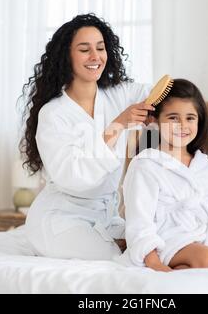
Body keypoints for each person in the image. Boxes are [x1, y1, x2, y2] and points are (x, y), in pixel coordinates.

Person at [20, 13, 153, 260]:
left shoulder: (118, 94)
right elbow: (72, 176)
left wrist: (163, 109)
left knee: (155, 242)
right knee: (118, 258)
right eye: (84, 49)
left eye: (100, 48)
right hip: (61, 220)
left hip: (105, 217)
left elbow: (159, 94)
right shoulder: (54, 114)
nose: (95, 57)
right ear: (66, 56)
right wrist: (118, 124)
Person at [121, 79, 208, 272]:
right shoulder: (146, 164)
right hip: (168, 238)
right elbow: (139, 220)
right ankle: (191, 265)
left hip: (205, 234)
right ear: (155, 120)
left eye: (190, 118)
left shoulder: (202, 164)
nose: (182, 125)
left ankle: (188, 268)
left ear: (199, 121)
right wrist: (154, 263)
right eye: (173, 118)